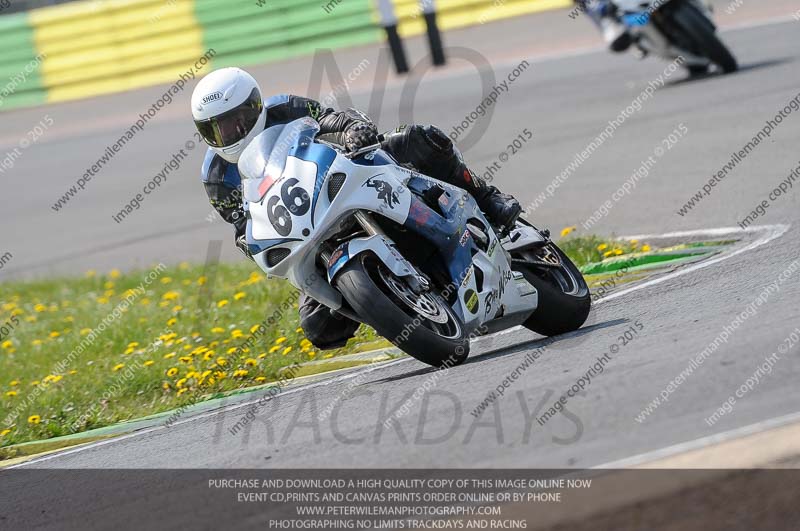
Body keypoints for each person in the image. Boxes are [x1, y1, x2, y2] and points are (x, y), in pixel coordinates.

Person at [191, 67, 522, 349]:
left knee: (420, 139)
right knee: (317, 328)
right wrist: (252, 245)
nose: (230, 133)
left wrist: (353, 130)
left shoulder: (285, 107)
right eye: (216, 129)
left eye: (236, 121)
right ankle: (389, 299)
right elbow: (241, 225)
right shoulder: (217, 177)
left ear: (255, 106)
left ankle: (489, 199)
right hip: (306, 229)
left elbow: (333, 118)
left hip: (346, 177)